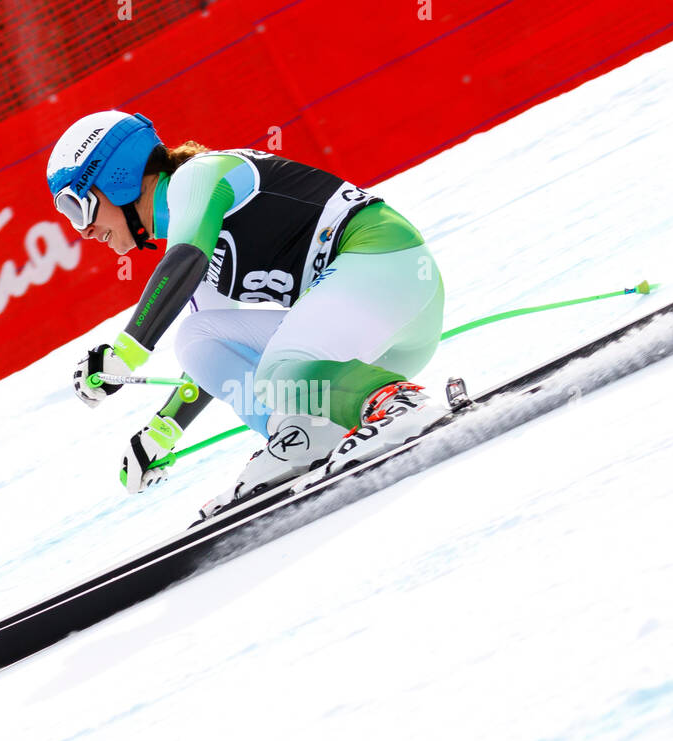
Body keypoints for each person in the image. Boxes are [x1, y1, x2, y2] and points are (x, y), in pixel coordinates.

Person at [47, 110, 445, 515]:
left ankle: (397, 405)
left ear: (119, 178)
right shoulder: (193, 244)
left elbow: (183, 262)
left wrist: (124, 354)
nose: (83, 232)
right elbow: (216, 359)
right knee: (198, 338)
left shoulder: (198, 178)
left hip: (392, 271)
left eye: (78, 208)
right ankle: (304, 433)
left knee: (278, 368)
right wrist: (161, 432)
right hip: (374, 340)